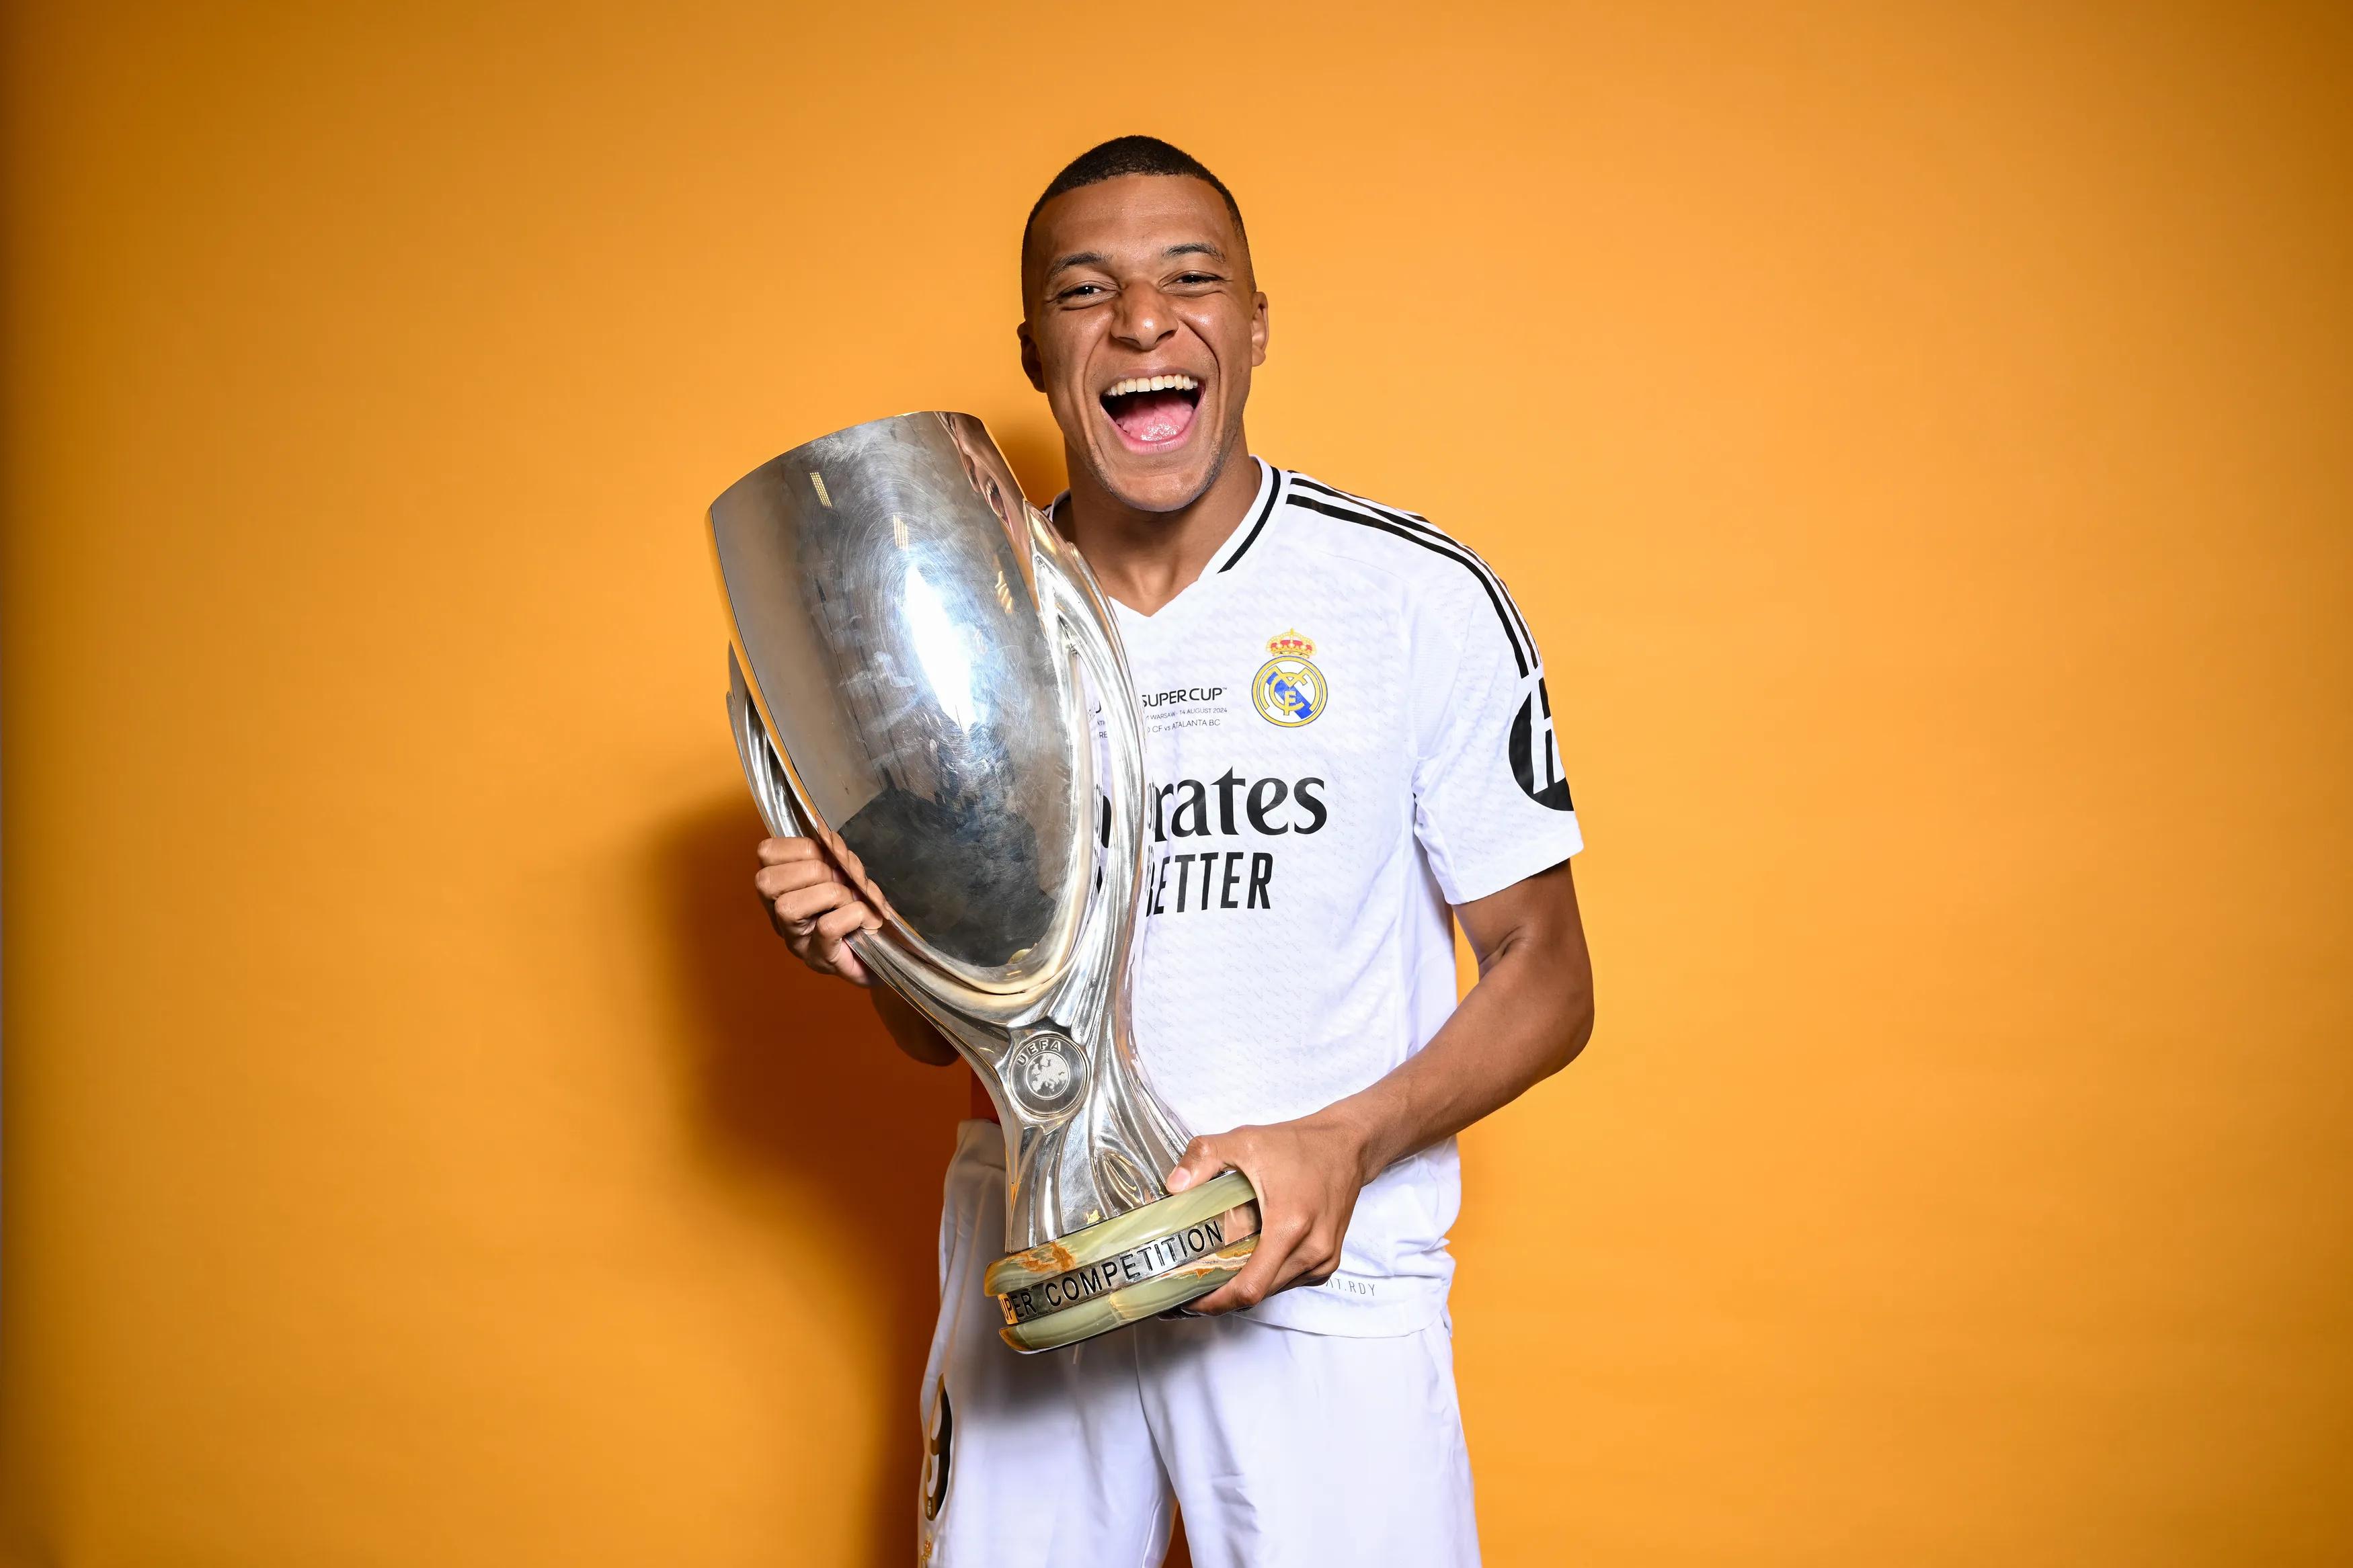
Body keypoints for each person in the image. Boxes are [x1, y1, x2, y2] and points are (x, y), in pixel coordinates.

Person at [753, 136, 1595, 1568]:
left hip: (1326, 1285)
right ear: (1034, 349)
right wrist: (869, 951)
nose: (1142, 321)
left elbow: (1550, 977)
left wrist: (1343, 1144)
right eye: (1087, 292)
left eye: (1189, 280)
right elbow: (933, 1036)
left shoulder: (1409, 598)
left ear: (1254, 323)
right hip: (1044, 1274)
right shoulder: (954, 632)